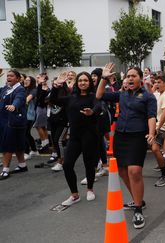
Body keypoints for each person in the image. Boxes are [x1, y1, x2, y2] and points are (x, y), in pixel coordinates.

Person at [97, 64, 156, 230]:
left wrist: (152, 132)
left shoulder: (148, 97)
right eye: (128, 76)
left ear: (140, 79)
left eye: (133, 76)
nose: (130, 78)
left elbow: (151, 116)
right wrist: (103, 78)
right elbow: (99, 95)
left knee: (134, 171)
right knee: (123, 171)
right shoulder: (121, 94)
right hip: (121, 136)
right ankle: (138, 200)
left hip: (138, 136)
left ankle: (138, 209)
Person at [50, 72, 101, 206]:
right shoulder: (71, 98)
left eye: (85, 80)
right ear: (77, 83)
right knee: (67, 165)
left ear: (89, 82)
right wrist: (56, 86)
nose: (83, 82)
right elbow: (53, 100)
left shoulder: (93, 96)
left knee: (88, 163)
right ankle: (75, 195)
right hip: (74, 136)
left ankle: (90, 189)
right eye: (80, 80)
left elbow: (98, 106)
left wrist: (92, 112)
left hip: (89, 135)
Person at [0, 70, 28, 180]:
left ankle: (5, 170)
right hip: (4, 120)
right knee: (17, 144)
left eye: (11, 76)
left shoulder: (20, 89)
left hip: (13, 121)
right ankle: (22, 165)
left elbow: (19, 99)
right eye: (7, 76)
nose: (8, 77)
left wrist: (14, 106)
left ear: (18, 78)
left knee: (7, 146)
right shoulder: (6, 88)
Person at [151, 75, 165, 187]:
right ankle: (164, 165)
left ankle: (164, 175)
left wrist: (158, 126)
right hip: (158, 126)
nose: (157, 84)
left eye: (159, 82)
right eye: (155, 82)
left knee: (155, 149)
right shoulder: (160, 94)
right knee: (154, 149)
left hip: (162, 127)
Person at [22, 76, 39, 160]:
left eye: (28, 80)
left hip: (30, 115)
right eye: (25, 80)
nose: (25, 81)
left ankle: (26, 152)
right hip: (24, 115)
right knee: (27, 133)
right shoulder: (24, 90)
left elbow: (27, 100)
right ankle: (34, 150)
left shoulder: (34, 90)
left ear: (32, 81)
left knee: (24, 133)